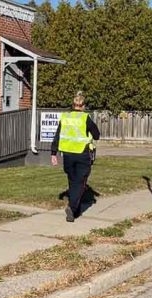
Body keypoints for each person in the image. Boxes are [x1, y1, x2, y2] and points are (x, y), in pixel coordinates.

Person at [51, 91, 101, 222]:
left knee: (72, 180)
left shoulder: (65, 117)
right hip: (82, 154)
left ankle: (75, 209)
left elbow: (57, 135)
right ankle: (72, 208)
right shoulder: (85, 118)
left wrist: (53, 153)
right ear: (83, 106)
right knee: (80, 182)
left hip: (67, 155)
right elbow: (97, 135)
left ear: (73, 105)